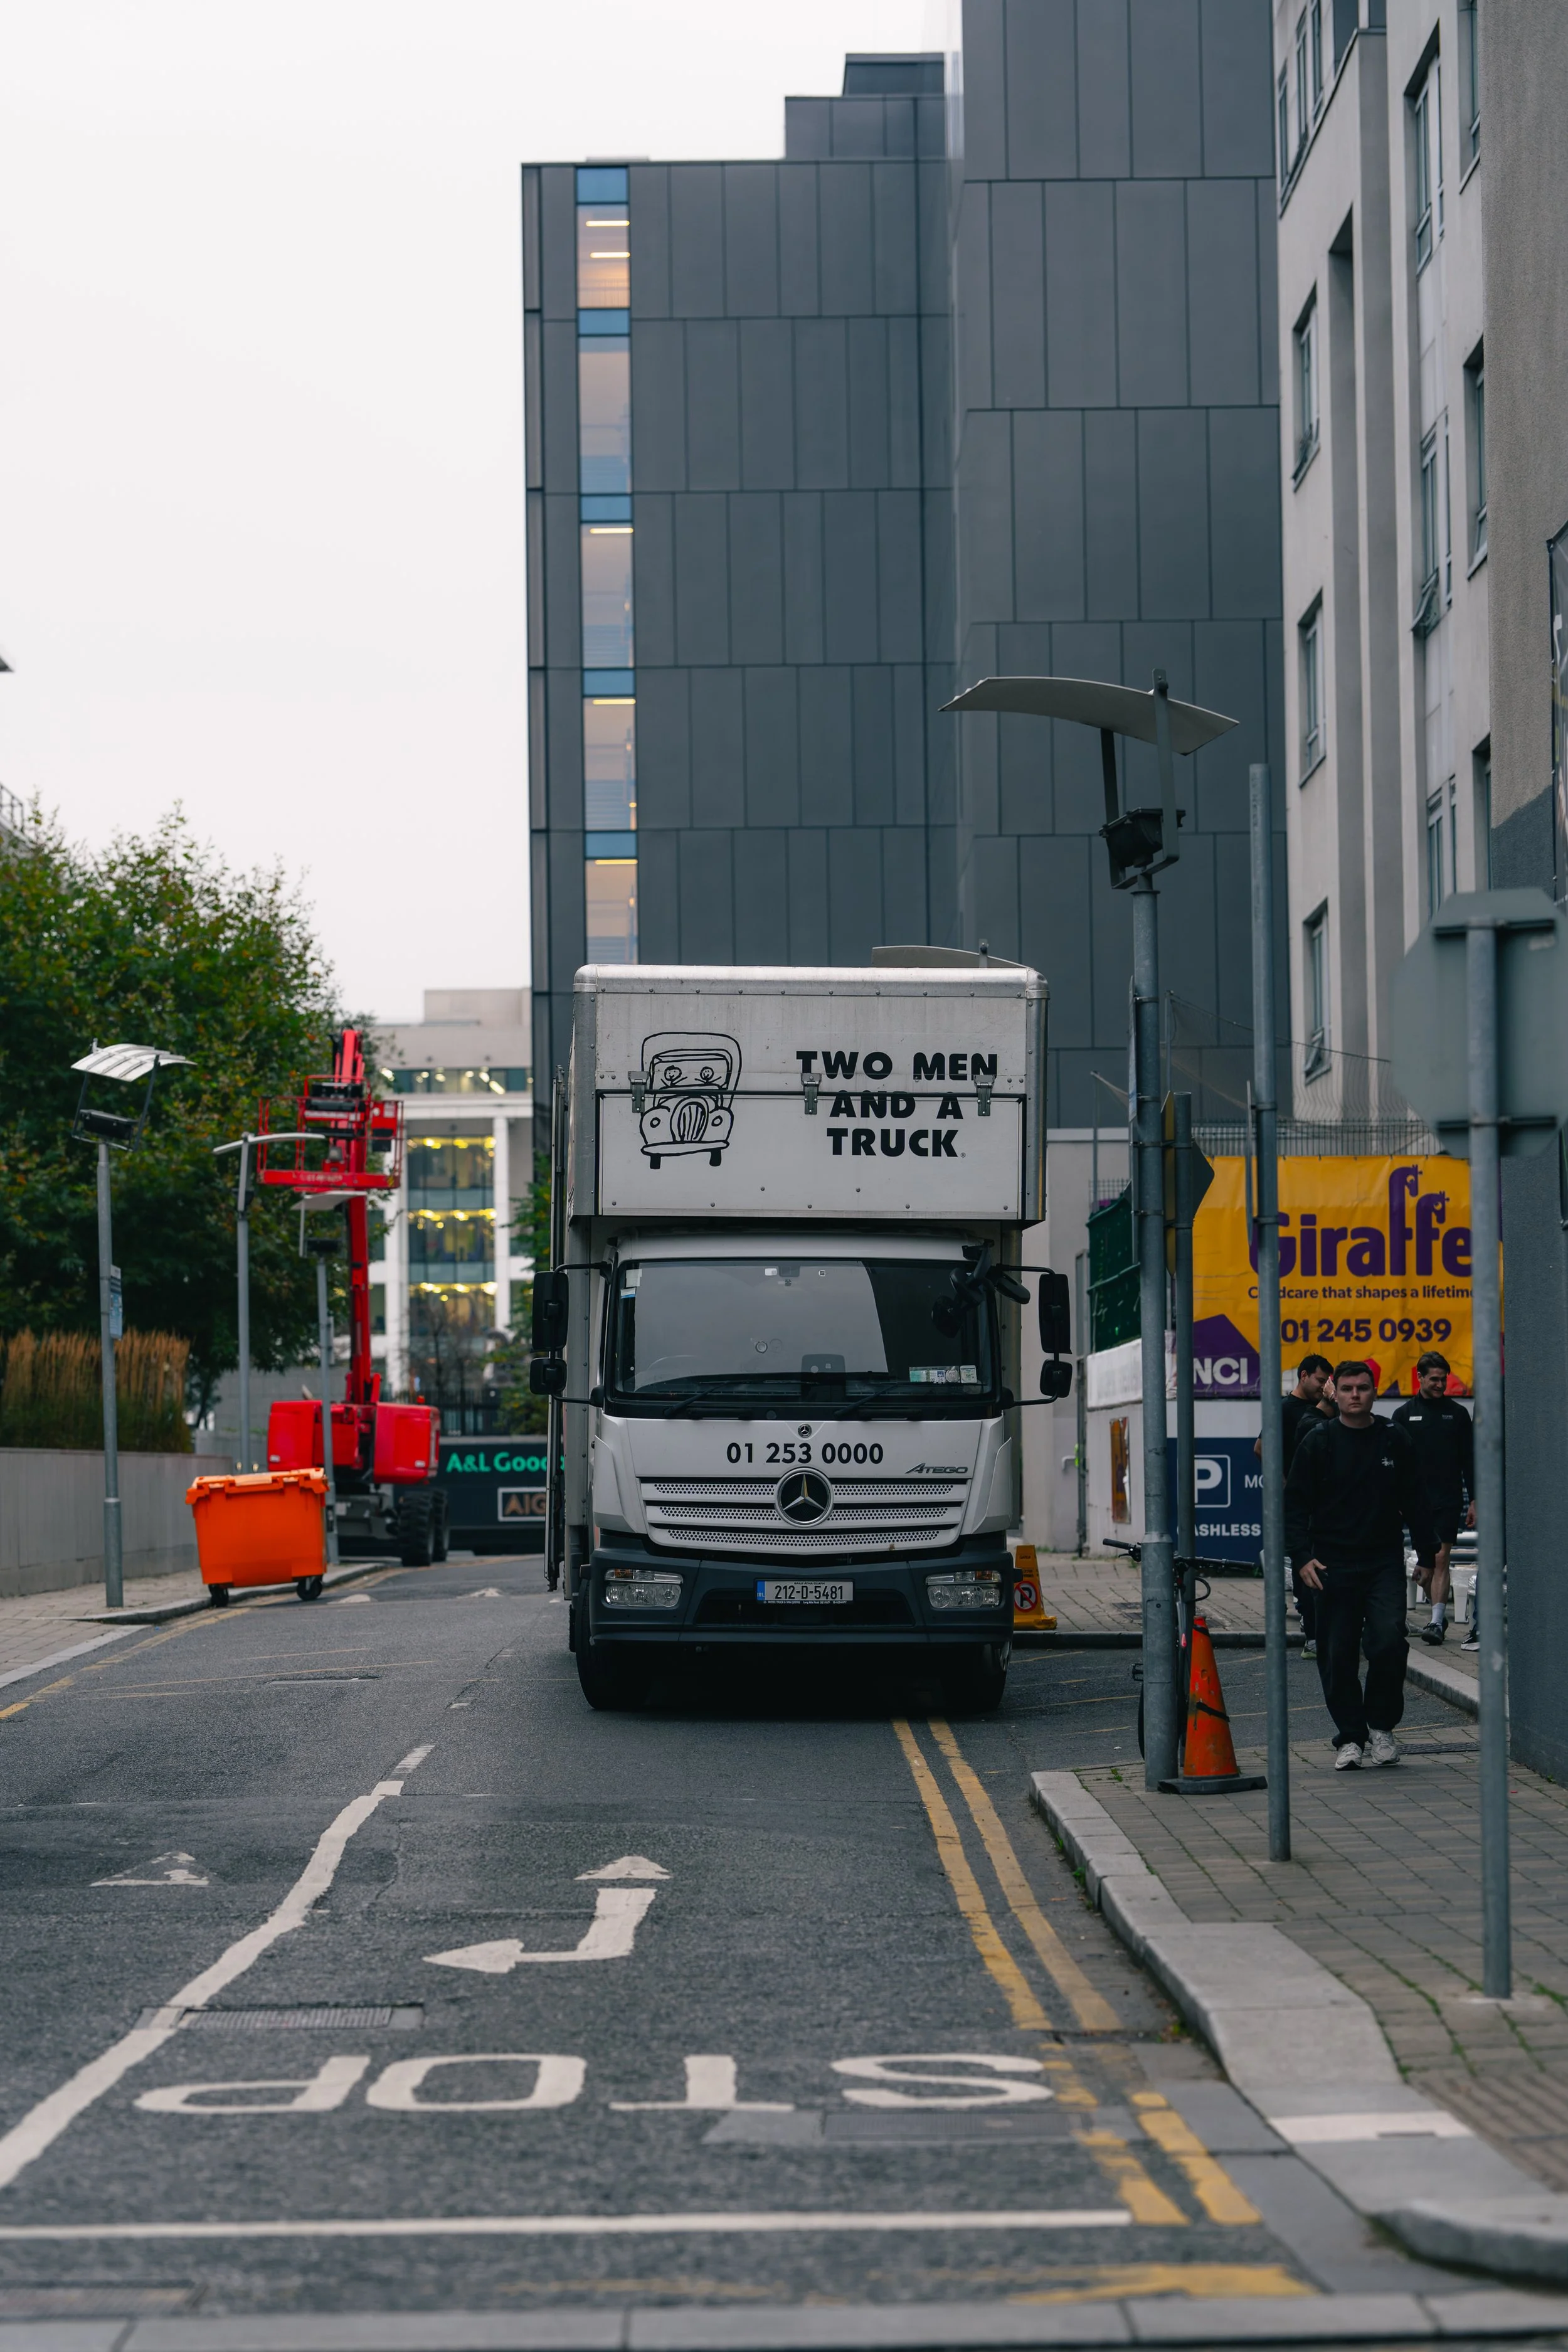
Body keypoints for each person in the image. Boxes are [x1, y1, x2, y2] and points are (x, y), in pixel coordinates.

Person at [1284, 1359, 1436, 1770]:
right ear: (1336, 1390)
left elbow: (1416, 1500)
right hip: (1330, 1563)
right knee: (1337, 1653)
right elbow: (1294, 1504)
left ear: (1375, 1391)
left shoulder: (1393, 1438)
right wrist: (1301, 1557)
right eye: (1348, 1388)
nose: (1355, 1395)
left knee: (1389, 1640)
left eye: (1363, 1388)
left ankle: (1381, 1727)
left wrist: (1426, 1557)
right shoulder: (1319, 1441)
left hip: (1382, 1561)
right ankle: (1350, 1738)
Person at [1391, 1352, 1475, 1647]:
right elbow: (1394, 1462)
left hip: (1447, 1500)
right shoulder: (1403, 1415)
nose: (1440, 1385)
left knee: (1441, 1558)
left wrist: (1474, 1499)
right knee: (1426, 1569)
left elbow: (1469, 1461)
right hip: (1414, 1503)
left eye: (1444, 1379)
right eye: (1434, 1379)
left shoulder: (1458, 1414)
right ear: (1420, 1377)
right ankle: (1433, 1601)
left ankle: (1437, 1622)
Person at [1256, 1354, 1337, 1658]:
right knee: (1306, 1562)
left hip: (1327, 1503)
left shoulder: (1328, 1407)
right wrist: (1285, 1487)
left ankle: (1328, 1631)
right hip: (1301, 1503)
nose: (1324, 1387)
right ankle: (1313, 1636)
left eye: (1328, 1381)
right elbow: (1261, 1448)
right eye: (1320, 1380)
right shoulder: (1284, 1408)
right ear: (1304, 1376)